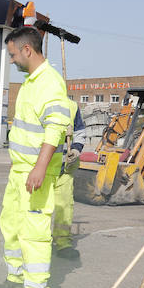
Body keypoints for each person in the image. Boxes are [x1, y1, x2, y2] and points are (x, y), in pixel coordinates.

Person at [0, 26, 71, 288]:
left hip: (35, 174)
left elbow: (56, 129)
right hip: (20, 172)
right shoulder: (32, 81)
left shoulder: (49, 82)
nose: (11, 60)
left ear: (27, 50)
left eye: (12, 54)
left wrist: (39, 167)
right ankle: (16, 277)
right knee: (11, 225)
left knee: (34, 232)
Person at [52, 102, 87, 259]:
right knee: (39, 209)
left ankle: (63, 243)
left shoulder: (71, 106)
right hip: (44, 168)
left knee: (64, 207)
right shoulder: (42, 102)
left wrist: (76, 148)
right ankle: (39, 243)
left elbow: (79, 131)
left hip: (66, 166)